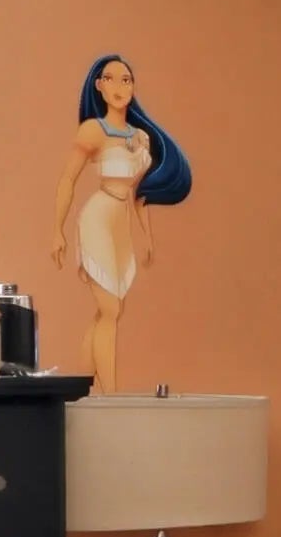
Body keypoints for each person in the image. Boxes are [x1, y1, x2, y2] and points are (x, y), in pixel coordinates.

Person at [48, 53, 191, 391]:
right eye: (110, 79)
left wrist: (148, 236)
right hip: (97, 218)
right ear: (99, 85)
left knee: (110, 311)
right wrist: (57, 230)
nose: (119, 86)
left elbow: (140, 193)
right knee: (110, 308)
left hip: (121, 223)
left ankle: (81, 390)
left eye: (125, 80)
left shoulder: (140, 137)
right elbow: (67, 180)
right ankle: (111, 395)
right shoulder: (93, 131)